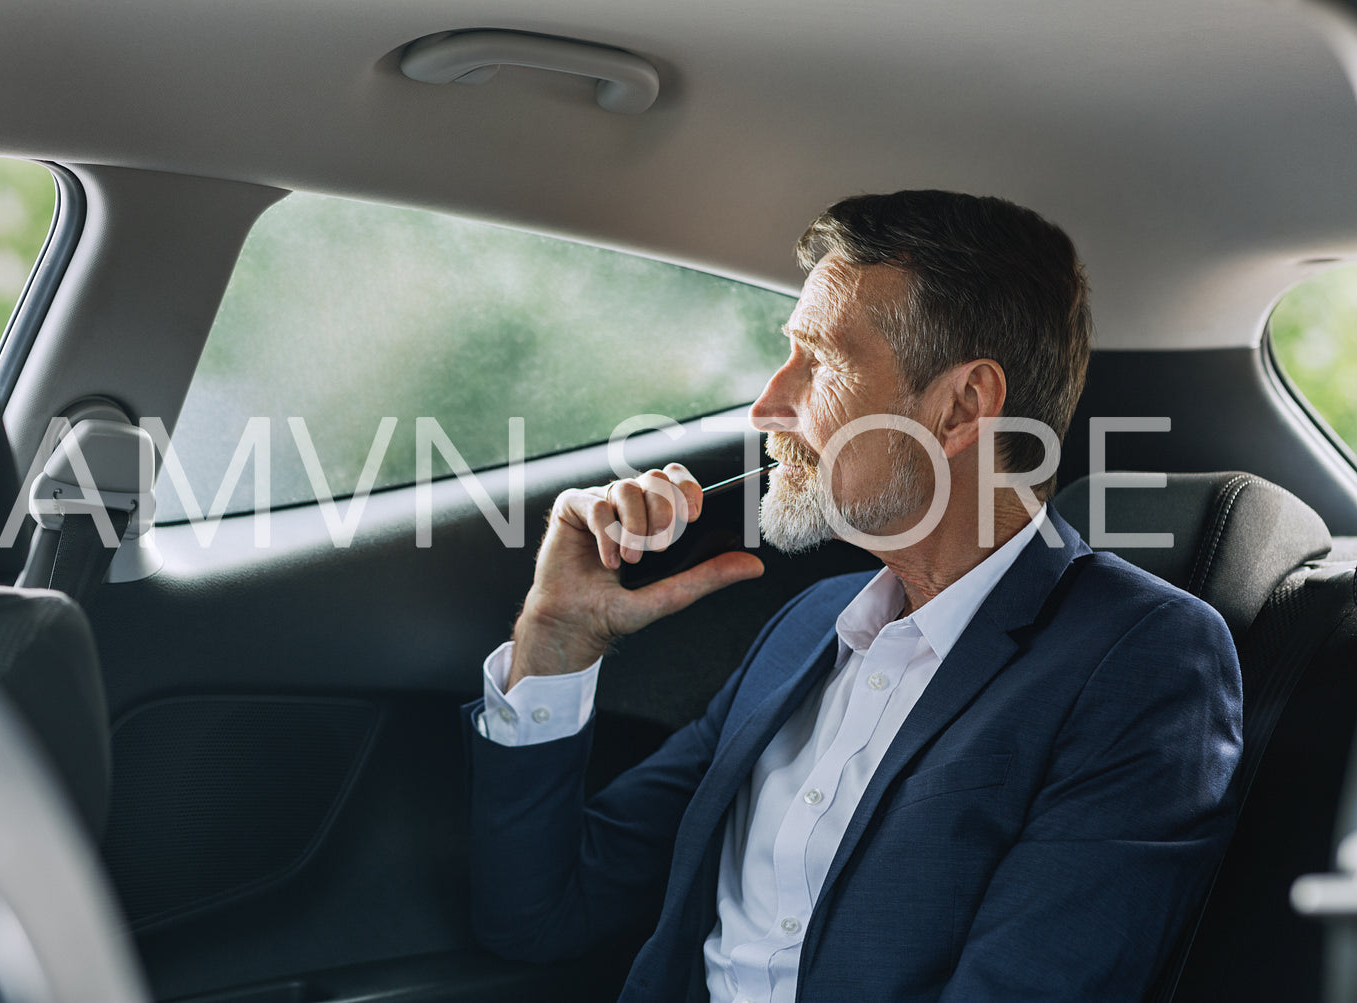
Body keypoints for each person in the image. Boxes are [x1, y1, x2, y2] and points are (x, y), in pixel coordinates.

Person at [465, 190, 1242, 1002]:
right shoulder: (806, 628)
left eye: (821, 361)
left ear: (959, 406)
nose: (766, 406)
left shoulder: (1143, 659)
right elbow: (538, 916)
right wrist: (553, 637)